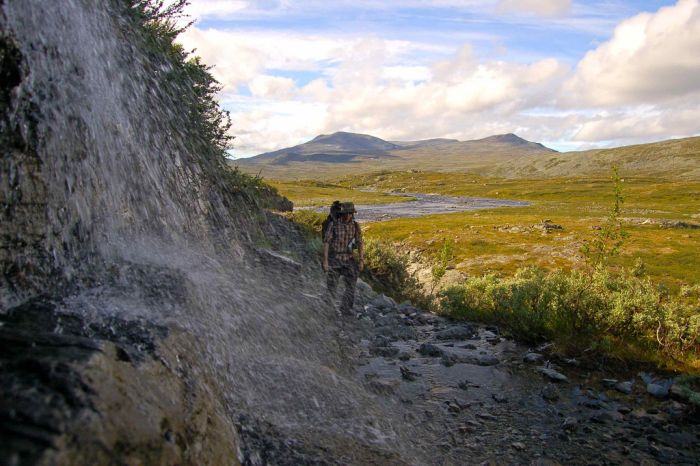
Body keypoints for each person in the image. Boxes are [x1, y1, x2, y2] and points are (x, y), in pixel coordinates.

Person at [322, 202, 364, 315]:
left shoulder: (355, 226)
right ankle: (328, 309)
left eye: (349, 213)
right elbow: (326, 242)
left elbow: (360, 243)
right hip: (335, 258)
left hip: (349, 259)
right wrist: (325, 261)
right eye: (345, 213)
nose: (347, 215)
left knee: (351, 286)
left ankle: (346, 309)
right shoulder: (334, 225)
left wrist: (361, 260)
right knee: (331, 285)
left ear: (352, 214)